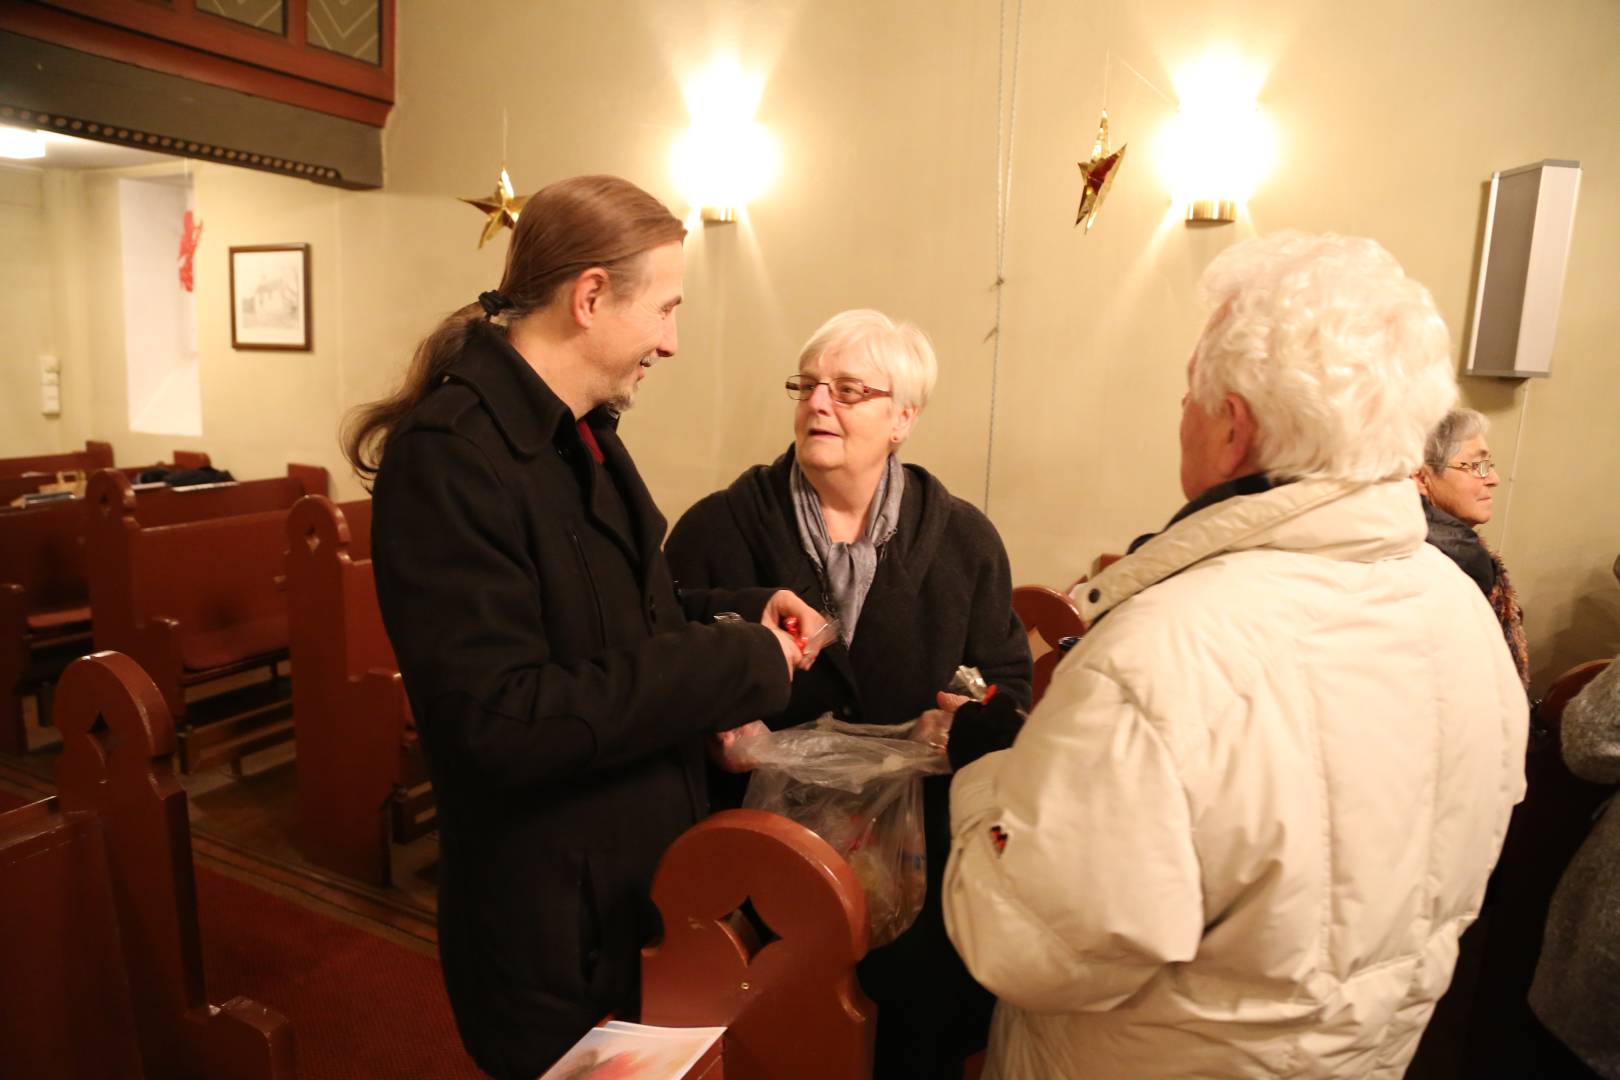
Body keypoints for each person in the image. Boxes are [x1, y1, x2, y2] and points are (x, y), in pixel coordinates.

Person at [941, 232, 1529, 1079]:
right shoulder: (1457, 608)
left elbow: (1029, 948)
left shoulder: (1166, 653)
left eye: (1190, 394)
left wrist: (993, 773)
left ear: (1231, 430)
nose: (1180, 413)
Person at [347, 175, 824, 1080]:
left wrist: (733, 616)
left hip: (634, 889)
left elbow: (618, 622)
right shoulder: (451, 456)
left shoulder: (584, 433)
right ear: (591, 296)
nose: (674, 343)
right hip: (548, 924)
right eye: (668, 308)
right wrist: (737, 661)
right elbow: (502, 719)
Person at [665, 309, 1032, 1079]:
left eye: (850, 390)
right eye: (809, 386)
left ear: (904, 418)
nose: (818, 405)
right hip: (759, 875)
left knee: (906, 1047)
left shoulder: (966, 541)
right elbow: (661, 668)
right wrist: (714, 726)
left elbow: (1008, 688)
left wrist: (959, 722)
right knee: (773, 1048)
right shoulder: (716, 528)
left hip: (916, 871)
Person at [1414, 407, 1529, 687]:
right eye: (1476, 466)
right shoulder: (1443, 565)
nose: (1493, 479)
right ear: (1420, 478)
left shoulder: (1458, 550)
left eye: (1488, 465)